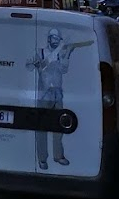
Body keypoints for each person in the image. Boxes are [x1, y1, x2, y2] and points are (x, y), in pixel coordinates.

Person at [27, 27, 90, 171]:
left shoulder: (60, 53)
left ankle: (58, 156)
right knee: (41, 128)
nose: (56, 41)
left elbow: (63, 70)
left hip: (57, 94)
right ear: (49, 39)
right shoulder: (40, 52)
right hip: (44, 96)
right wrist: (34, 63)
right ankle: (42, 159)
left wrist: (67, 55)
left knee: (59, 126)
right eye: (54, 38)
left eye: (58, 39)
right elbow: (33, 66)